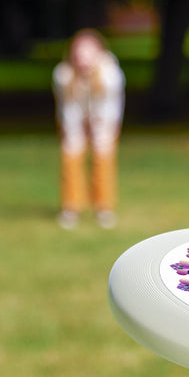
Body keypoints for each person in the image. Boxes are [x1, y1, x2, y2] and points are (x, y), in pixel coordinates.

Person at [52, 28, 125, 229]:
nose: (83, 58)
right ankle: (71, 207)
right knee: (71, 155)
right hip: (74, 120)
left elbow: (110, 107)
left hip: (104, 120)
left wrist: (98, 128)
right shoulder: (63, 74)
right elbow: (68, 107)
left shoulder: (110, 74)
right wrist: (76, 130)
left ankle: (104, 207)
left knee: (103, 158)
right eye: (79, 52)